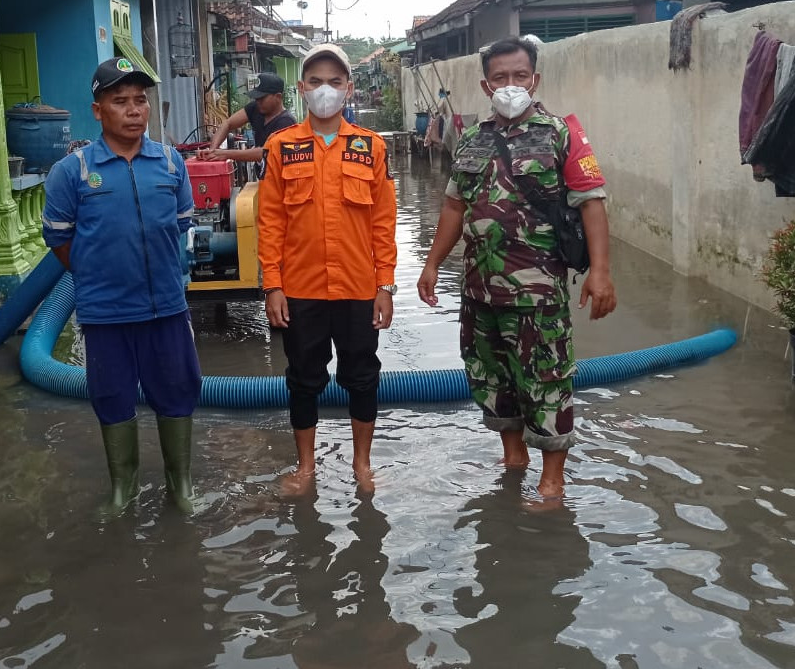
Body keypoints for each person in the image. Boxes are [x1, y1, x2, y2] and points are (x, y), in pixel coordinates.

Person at [416, 36, 617, 500]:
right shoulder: (472, 138)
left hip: (538, 292)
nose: (511, 85)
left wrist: (600, 272)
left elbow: (592, 204)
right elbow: (452, 206)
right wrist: (431, 264)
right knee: (492, 378)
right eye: (501, 78)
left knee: (546, 380)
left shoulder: (561, 134)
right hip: (479, 291)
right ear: (486, 86)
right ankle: (513, 457)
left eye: (520, 76)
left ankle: (552, 482)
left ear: (536, 79)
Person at [42, 56, 202, 516]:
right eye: (120, 101)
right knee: (111, 396)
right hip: (106, 312)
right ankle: (122, 490)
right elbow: (60, 240)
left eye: (140, 101)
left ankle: (182, 486)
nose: (134, 110)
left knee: (177, 390)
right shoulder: (72, 172)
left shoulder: (170, 163)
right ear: (98, 111)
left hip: (167, 308)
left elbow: (179, 227)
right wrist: (98, 274)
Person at [257, 43, 397, 493]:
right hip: (301, 289)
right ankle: (306, 468)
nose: (325, 90)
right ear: (301, 89)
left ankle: (362, 465)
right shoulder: (281, 147)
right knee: (302, 378)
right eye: (315, 81)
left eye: (335, 82)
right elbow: (270, 222)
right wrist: (272, 286)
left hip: (358, 287)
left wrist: (386, 286)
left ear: (349, 89)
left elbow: (383, 222)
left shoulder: (370, 147)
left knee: (362, 375)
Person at [199, 71, 295, 170]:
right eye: (256, 98)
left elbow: (266, 152)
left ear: (278, 97)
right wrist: (212, 151)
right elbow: (228, 124)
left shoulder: (286, 122)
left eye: (262, 98)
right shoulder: (256, 108)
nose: (258, 102)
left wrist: (226, 154)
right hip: (264, 179)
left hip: (280, 181)